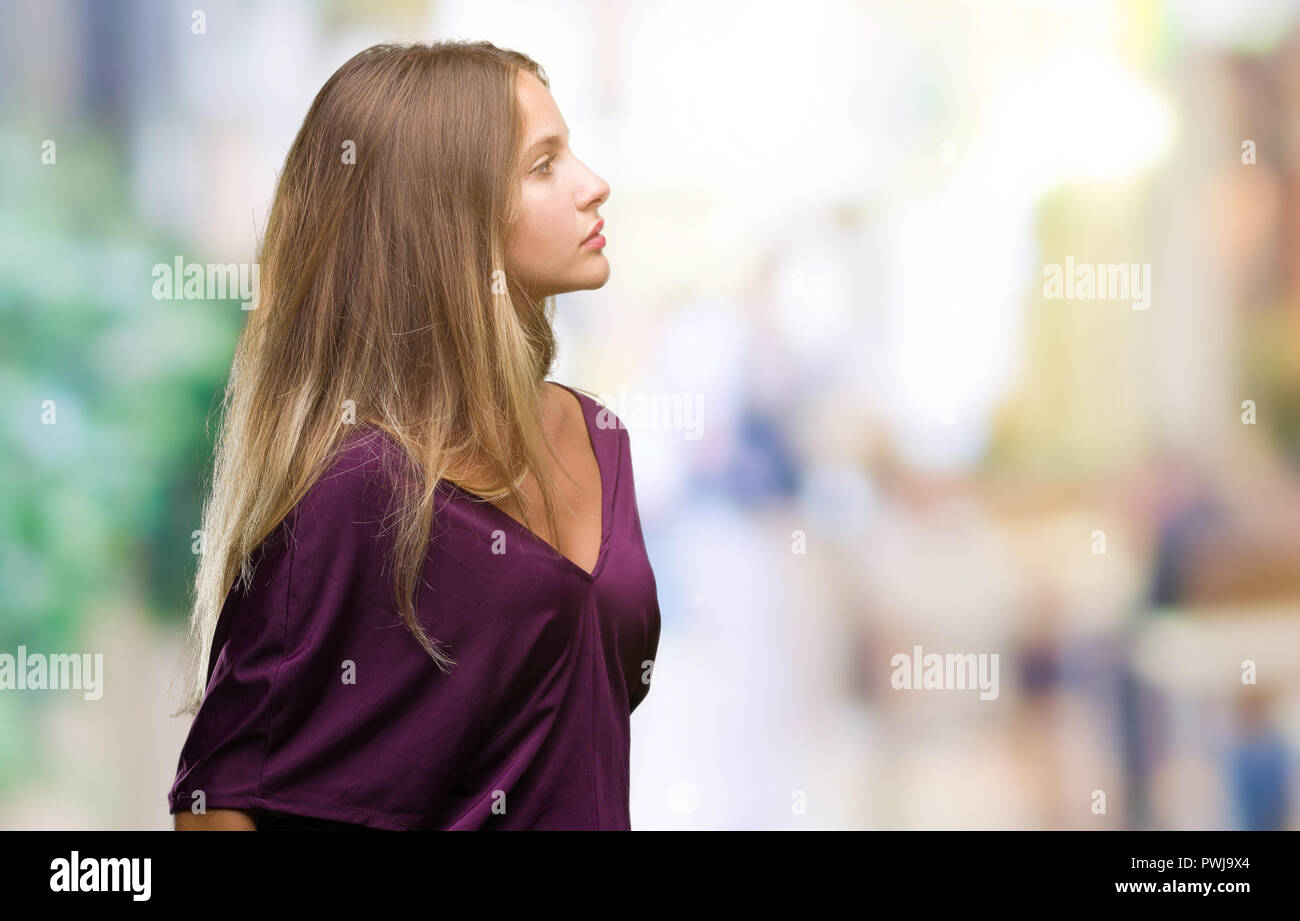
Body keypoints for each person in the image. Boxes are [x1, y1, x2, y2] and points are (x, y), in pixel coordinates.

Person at [166, 40, 661, 830]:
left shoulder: (602, 438)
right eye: (544, 165)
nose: (593, 185)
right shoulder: (357, 487)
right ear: (446, 215)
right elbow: (218, 799)